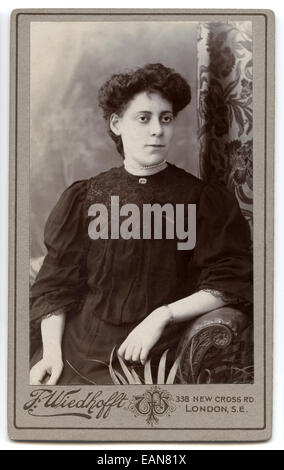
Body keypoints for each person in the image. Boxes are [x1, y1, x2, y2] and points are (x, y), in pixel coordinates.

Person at [29, 63, 252, 386]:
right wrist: (51, 353)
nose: (158, 130)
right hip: (76, 349)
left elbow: (230, 281)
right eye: (143, 118)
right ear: (117, 124)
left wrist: (163, 315)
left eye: (166, 118)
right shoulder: (85, 198)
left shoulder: (202, 200)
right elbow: (55, 287)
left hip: (155, 352)